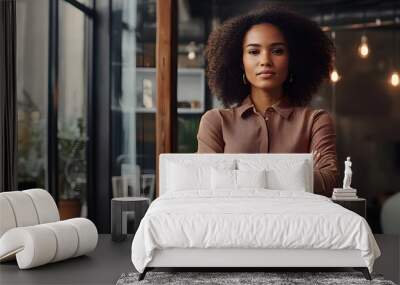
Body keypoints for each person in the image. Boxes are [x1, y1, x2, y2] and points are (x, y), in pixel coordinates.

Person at [197, 6, 339, 196]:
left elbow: (329, 181)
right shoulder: (216, 122)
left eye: (277, 51)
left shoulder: (315, 122)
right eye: (254, 51)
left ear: (292, 60)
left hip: (297, 223)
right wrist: (299, 175)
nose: (265, 61)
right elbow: (206, 184)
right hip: (233, 223)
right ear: (240, 61)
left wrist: (240, 176)